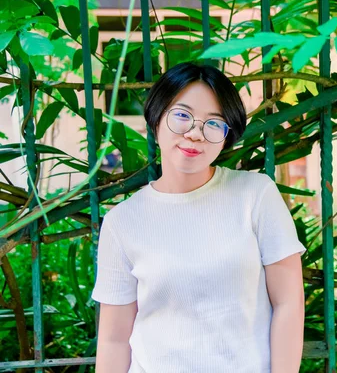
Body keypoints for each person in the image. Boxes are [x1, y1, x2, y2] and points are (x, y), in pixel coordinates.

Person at [92, 62, 306, 373]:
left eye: (214, 124)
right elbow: (113, 339)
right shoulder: (122, 222)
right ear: (156, 118)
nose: (195, 133)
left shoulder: (255, 194)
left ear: (226, 135)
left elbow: (288, 304)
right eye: (182, 116)